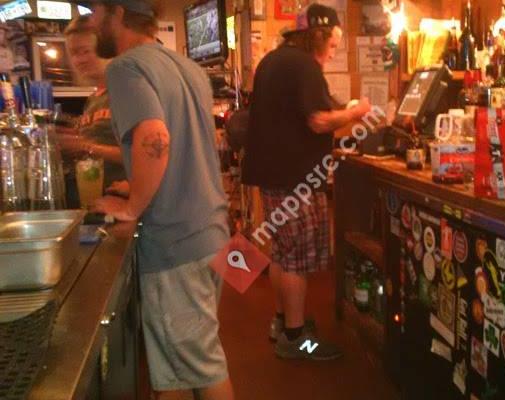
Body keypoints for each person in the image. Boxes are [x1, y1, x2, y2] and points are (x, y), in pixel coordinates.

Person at [84, 1, 234, 399]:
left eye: (96, 11)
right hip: (212, 234)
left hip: (174, 245)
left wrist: (132, 206)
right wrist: (135, 186)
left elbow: (156, 138)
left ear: (118, 13)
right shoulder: (189, 68)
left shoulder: (125, 67)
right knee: (187, 366)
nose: (92, 22)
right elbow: (186, 147)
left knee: (198, 368)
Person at [242, 3, 372, 360]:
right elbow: (317, 120)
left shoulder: (274, 60)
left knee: (283, 252)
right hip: (294, 179)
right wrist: (356, 113)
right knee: (296, 259)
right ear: (318, 35)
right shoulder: (304, 66)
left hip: (273, 177)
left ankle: (282, 321)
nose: (332, 52)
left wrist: (342, 113)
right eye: (332, 44)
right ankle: (297, 339)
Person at [57, 15, 126, 203]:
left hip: (120, 203)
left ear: (106, 49)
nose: (79, 60)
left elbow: (143, 155)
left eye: (85, 51)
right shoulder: (94, 98)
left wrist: (85, 147)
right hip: (94, 202)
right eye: (73, 53)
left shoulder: (125, 91)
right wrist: (71, 138)